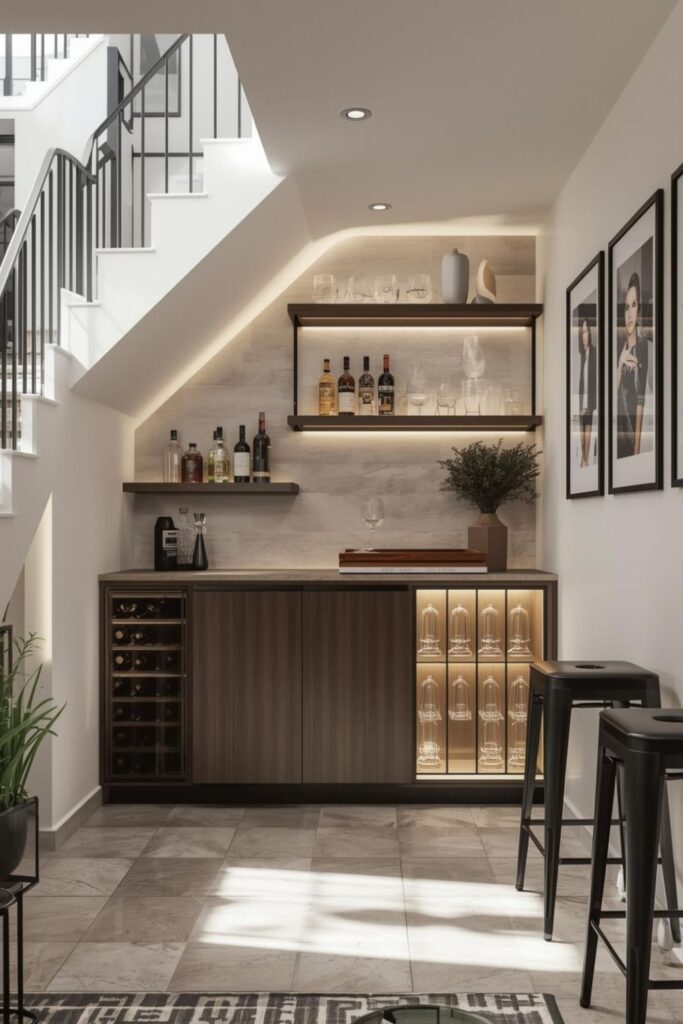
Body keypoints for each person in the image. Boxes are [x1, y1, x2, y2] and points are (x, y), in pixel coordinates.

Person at [616, 271, 649, 457]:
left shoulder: (644, 347)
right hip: (616, 439)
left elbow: (640, 400)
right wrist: (620, 365)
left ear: (639, 308)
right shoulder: (618, 352)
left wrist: (636, 452)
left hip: (631, 444)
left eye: (634, 305)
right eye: (626, 307)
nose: (630, 313)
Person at [577, 318, 596, 467]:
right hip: (582, 396)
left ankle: (586, 460)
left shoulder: (594, 352)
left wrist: (591, 402)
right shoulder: (583, 355)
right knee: (582, 427)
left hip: (590, 398)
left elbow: (595, 378)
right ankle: (584, 459)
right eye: (582, 332)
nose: (584, 335)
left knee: (588, 425)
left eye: (586, 331)